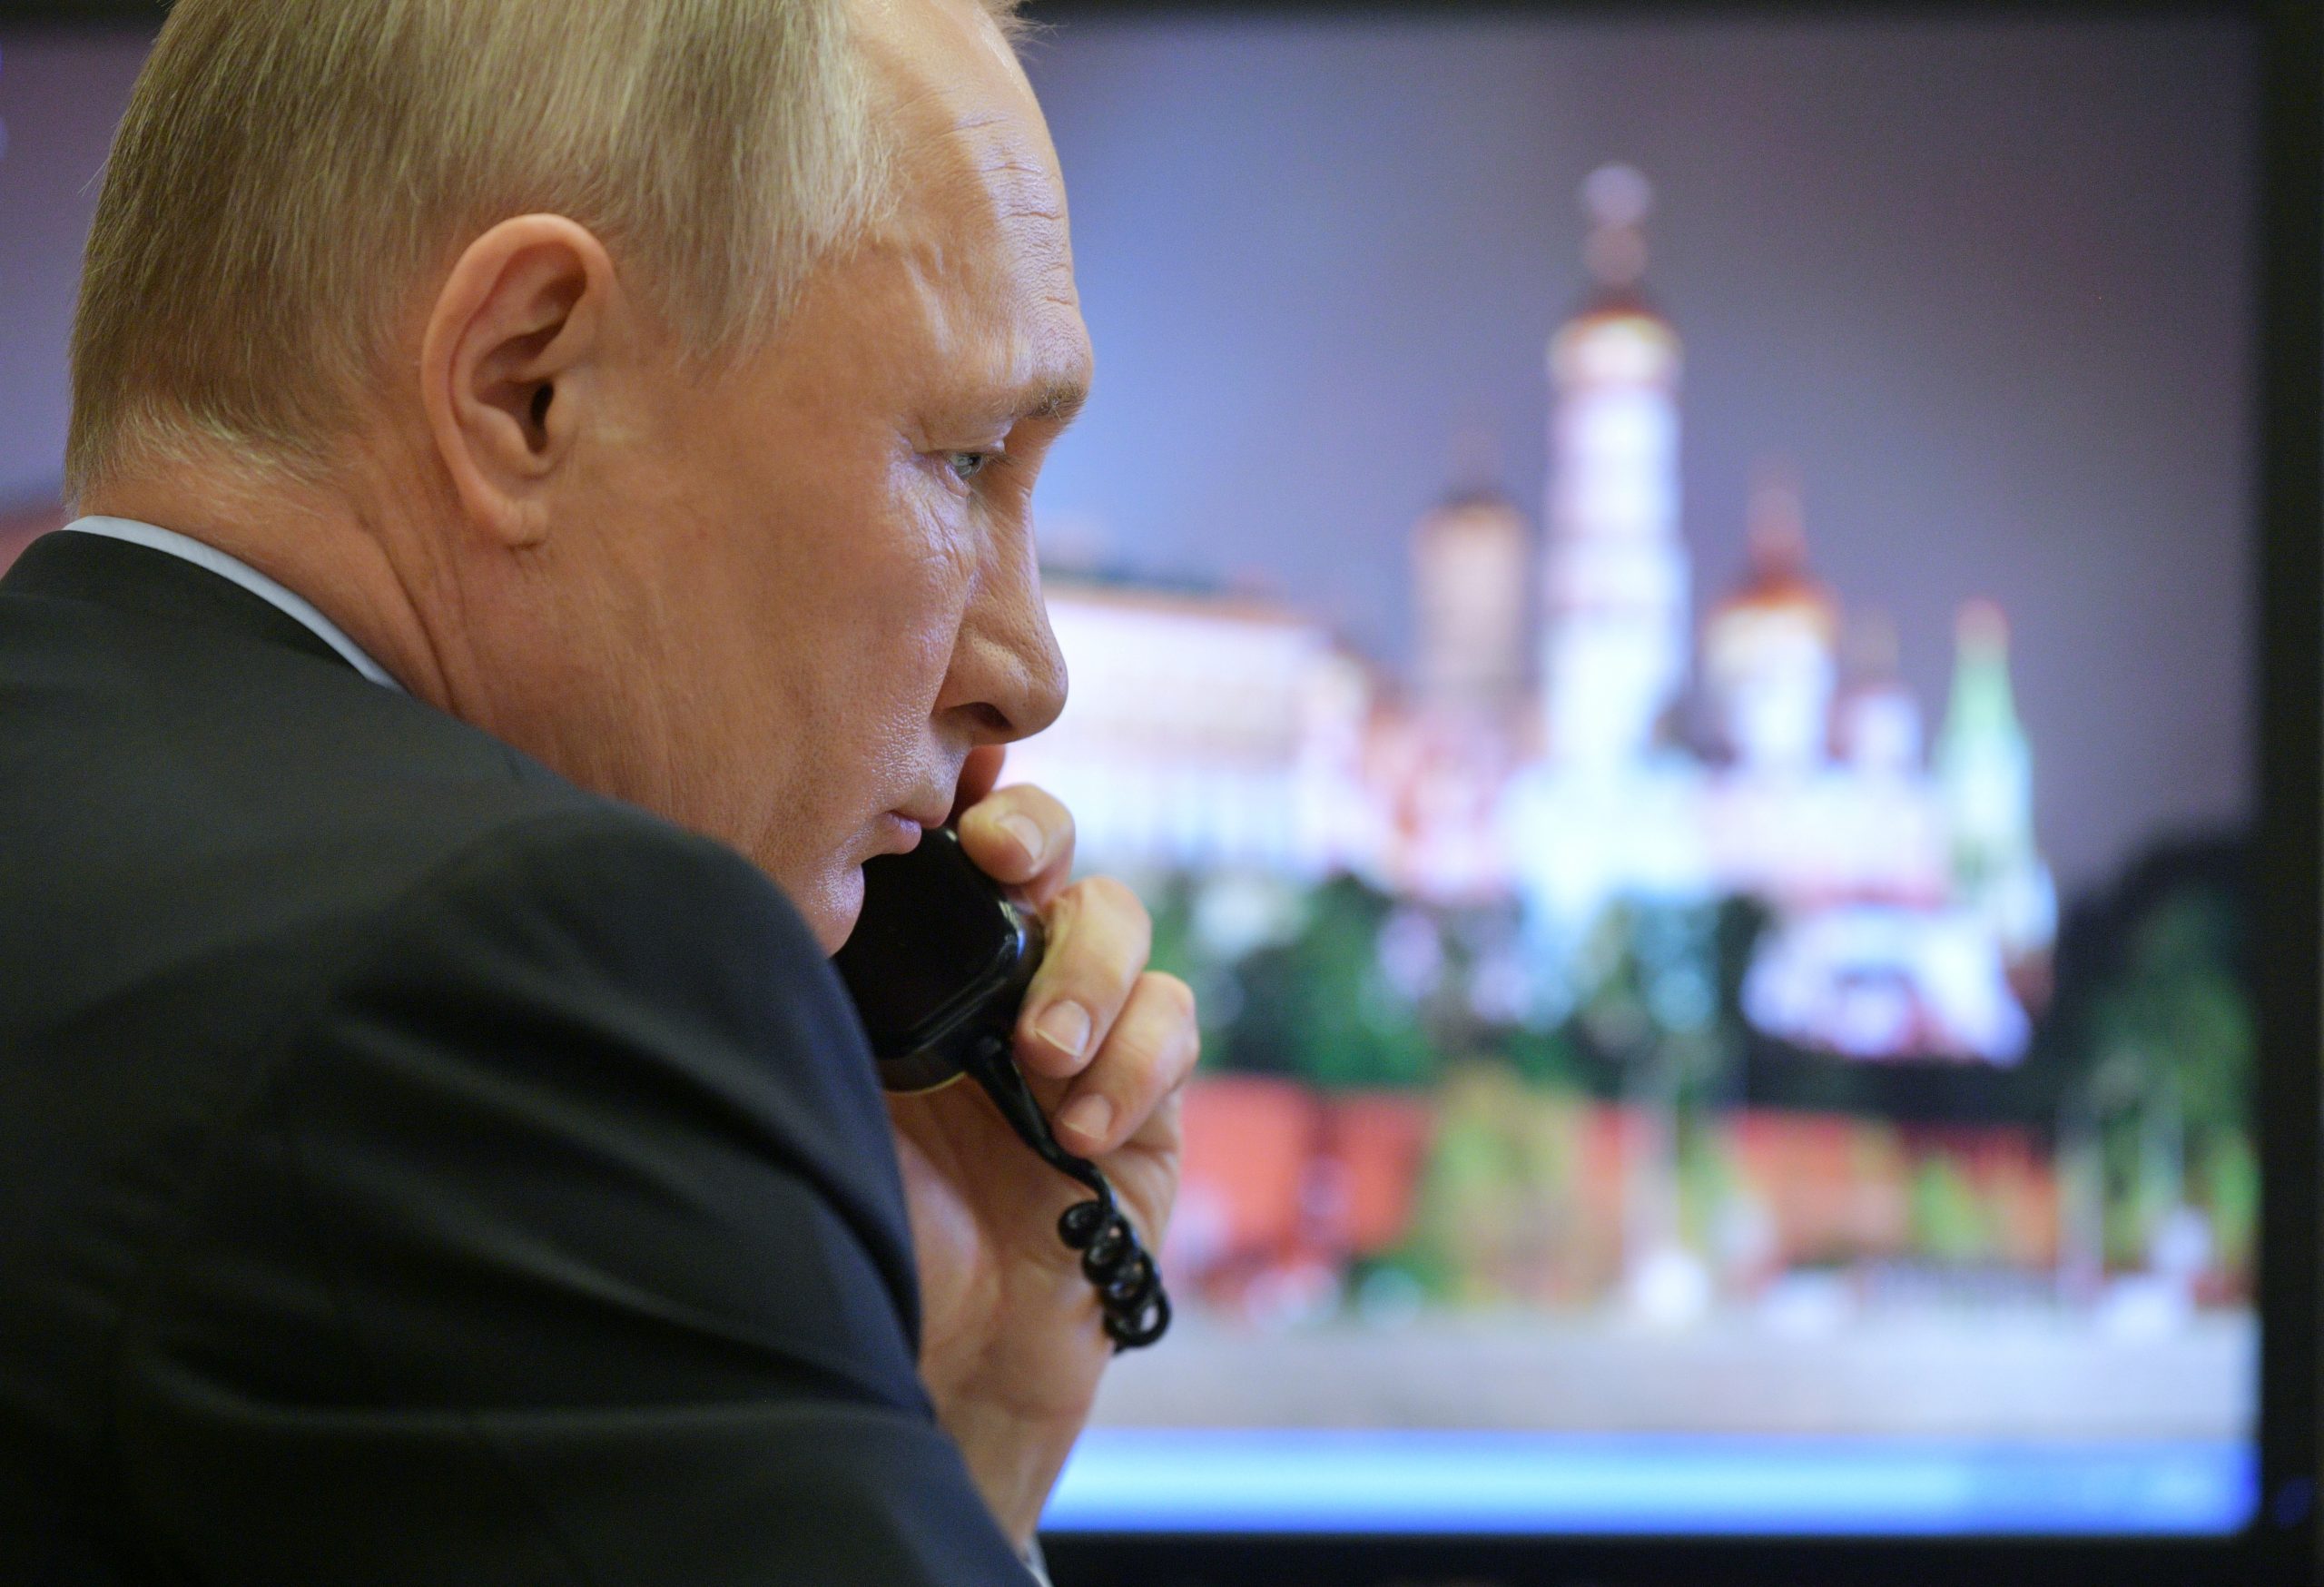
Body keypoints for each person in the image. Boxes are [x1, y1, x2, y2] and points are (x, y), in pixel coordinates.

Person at [0, 0, 1199, 1580]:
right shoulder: (515, 980)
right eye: (967, 457)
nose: (1029, 672)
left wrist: (919, 1425)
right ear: (527, 385)